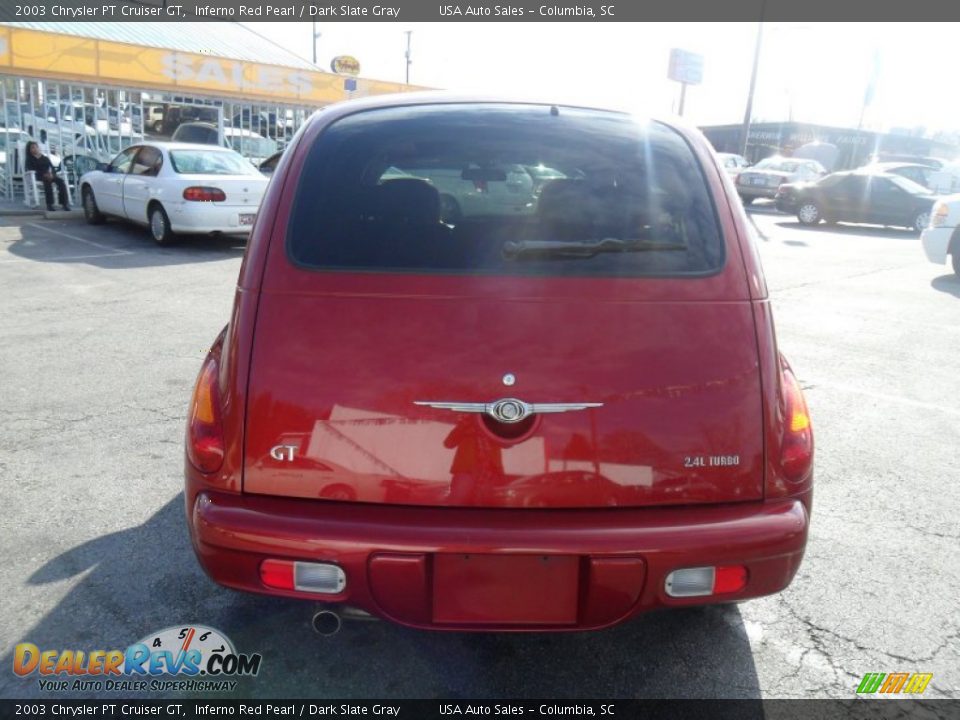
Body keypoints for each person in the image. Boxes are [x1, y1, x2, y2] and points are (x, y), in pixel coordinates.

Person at [25, 141, 70, 211]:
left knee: (61, 182)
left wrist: (52, 174)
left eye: (36, 147)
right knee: (47, 183)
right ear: (29, 150)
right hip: (38, 176)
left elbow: (51, 167)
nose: (35, 149)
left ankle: (64, 204)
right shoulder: (29, 159)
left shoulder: (45, 158)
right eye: (33, 148)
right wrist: (44, 174)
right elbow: (31, 169)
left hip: (50, 175)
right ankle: (50, 205)